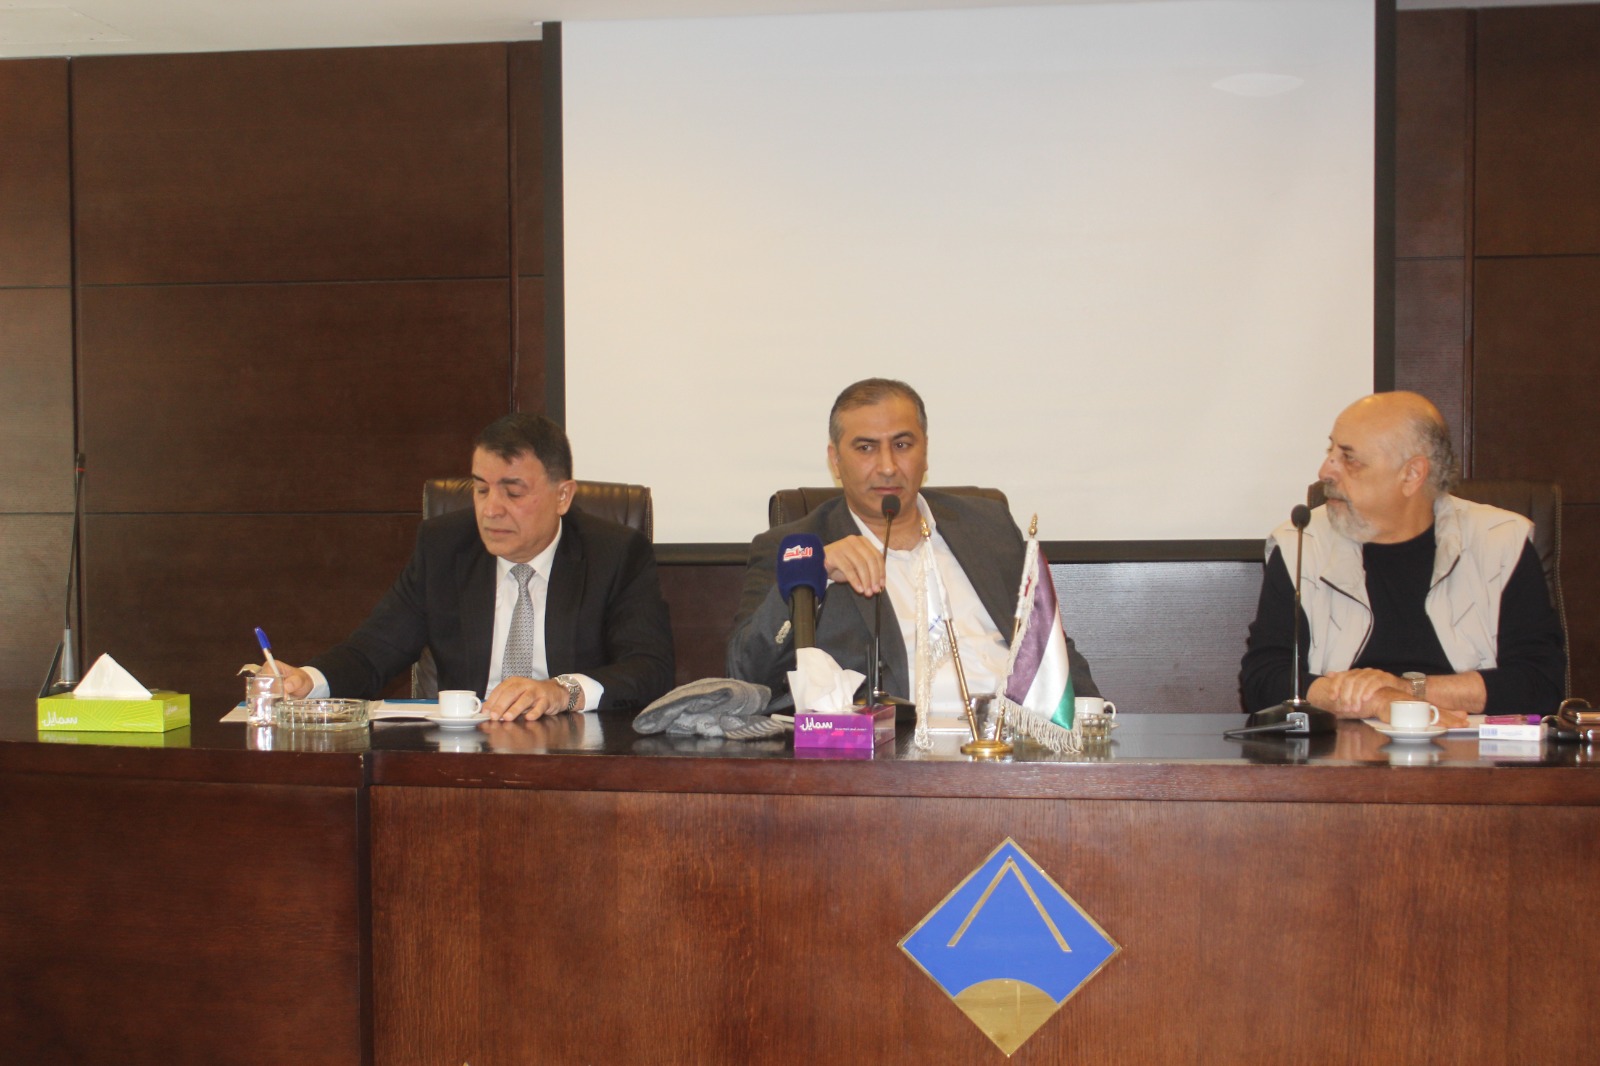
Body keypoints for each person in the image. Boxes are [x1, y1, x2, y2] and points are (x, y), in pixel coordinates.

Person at [270, 413, 674, 720]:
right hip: (466, 755)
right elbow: (373, 651)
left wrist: (562, 691)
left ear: (563, 496)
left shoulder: (615, 554)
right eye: (481, 489)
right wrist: (309, 680)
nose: (491, 509)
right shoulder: (444, 547)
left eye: (513, 493)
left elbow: (650, 669)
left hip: (573, 757)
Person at [726, 377, 1098, 709]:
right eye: (866, 448)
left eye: (902, 444)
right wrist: (814, 572)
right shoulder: (798, 548)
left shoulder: (989, 526)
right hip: (898, 749)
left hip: (1016, 738)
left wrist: (1090, 718)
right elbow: (746, 674)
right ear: (835, 461)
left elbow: (1049, 644)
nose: (888, 466)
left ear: (925, 451)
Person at [1240, 391, 1564, 725]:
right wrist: (1376, 700)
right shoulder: (1301, 543)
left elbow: (1541, 683)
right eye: (1331, 452)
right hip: (1341, 750)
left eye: (1349, 458)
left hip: (1471, 747)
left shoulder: (1500, 542)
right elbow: (1264, 681)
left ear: (1411, 474)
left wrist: (1406, 691)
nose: (1325, 471)